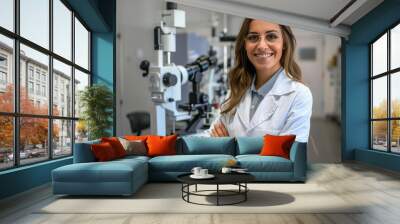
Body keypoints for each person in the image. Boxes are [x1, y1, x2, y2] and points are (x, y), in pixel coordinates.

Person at [208, 18, 313, 143]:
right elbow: (212, 135)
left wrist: (229, 148)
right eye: (253, 37)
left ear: (284, 43)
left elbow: (289, 155)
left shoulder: (298, 94)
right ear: (245, 45)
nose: (262, 45)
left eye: (271, 36)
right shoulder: (236, 90)